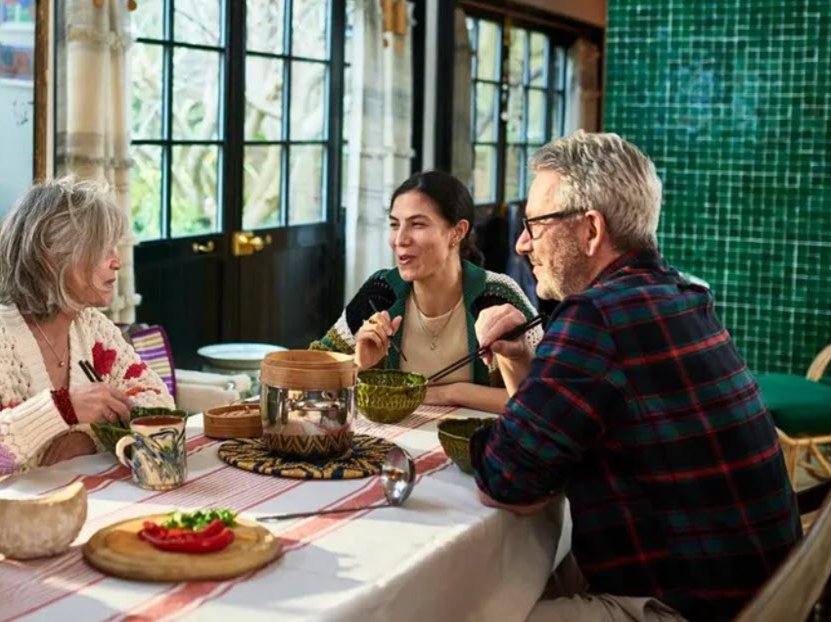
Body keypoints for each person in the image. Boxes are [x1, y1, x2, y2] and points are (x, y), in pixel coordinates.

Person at [471, 131, 799, 622]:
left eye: (534, 224)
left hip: (692, 608)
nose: (522, 243)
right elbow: (543, 449)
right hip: (772, 592)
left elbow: (506, 480)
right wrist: (521, 360)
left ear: (591, 230)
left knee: (467, 608)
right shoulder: (681, 294)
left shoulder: (596, 316)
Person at [0, 177, 173, 496]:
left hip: (62, 502)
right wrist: (61, 410)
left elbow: (159, 405)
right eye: (102, 250)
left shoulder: (91, 328)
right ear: (51, 259)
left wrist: (88, 438)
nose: (117, 261)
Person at [312, 171, 541, 413]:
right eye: (394, 225)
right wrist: (361, 366)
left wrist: (452, 393)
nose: (400, 239)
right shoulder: (379, 293)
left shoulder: (497, 295)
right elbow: (312, 371)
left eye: (417, 224)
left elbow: (544, 397)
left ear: (457, 232)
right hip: (395, 437)